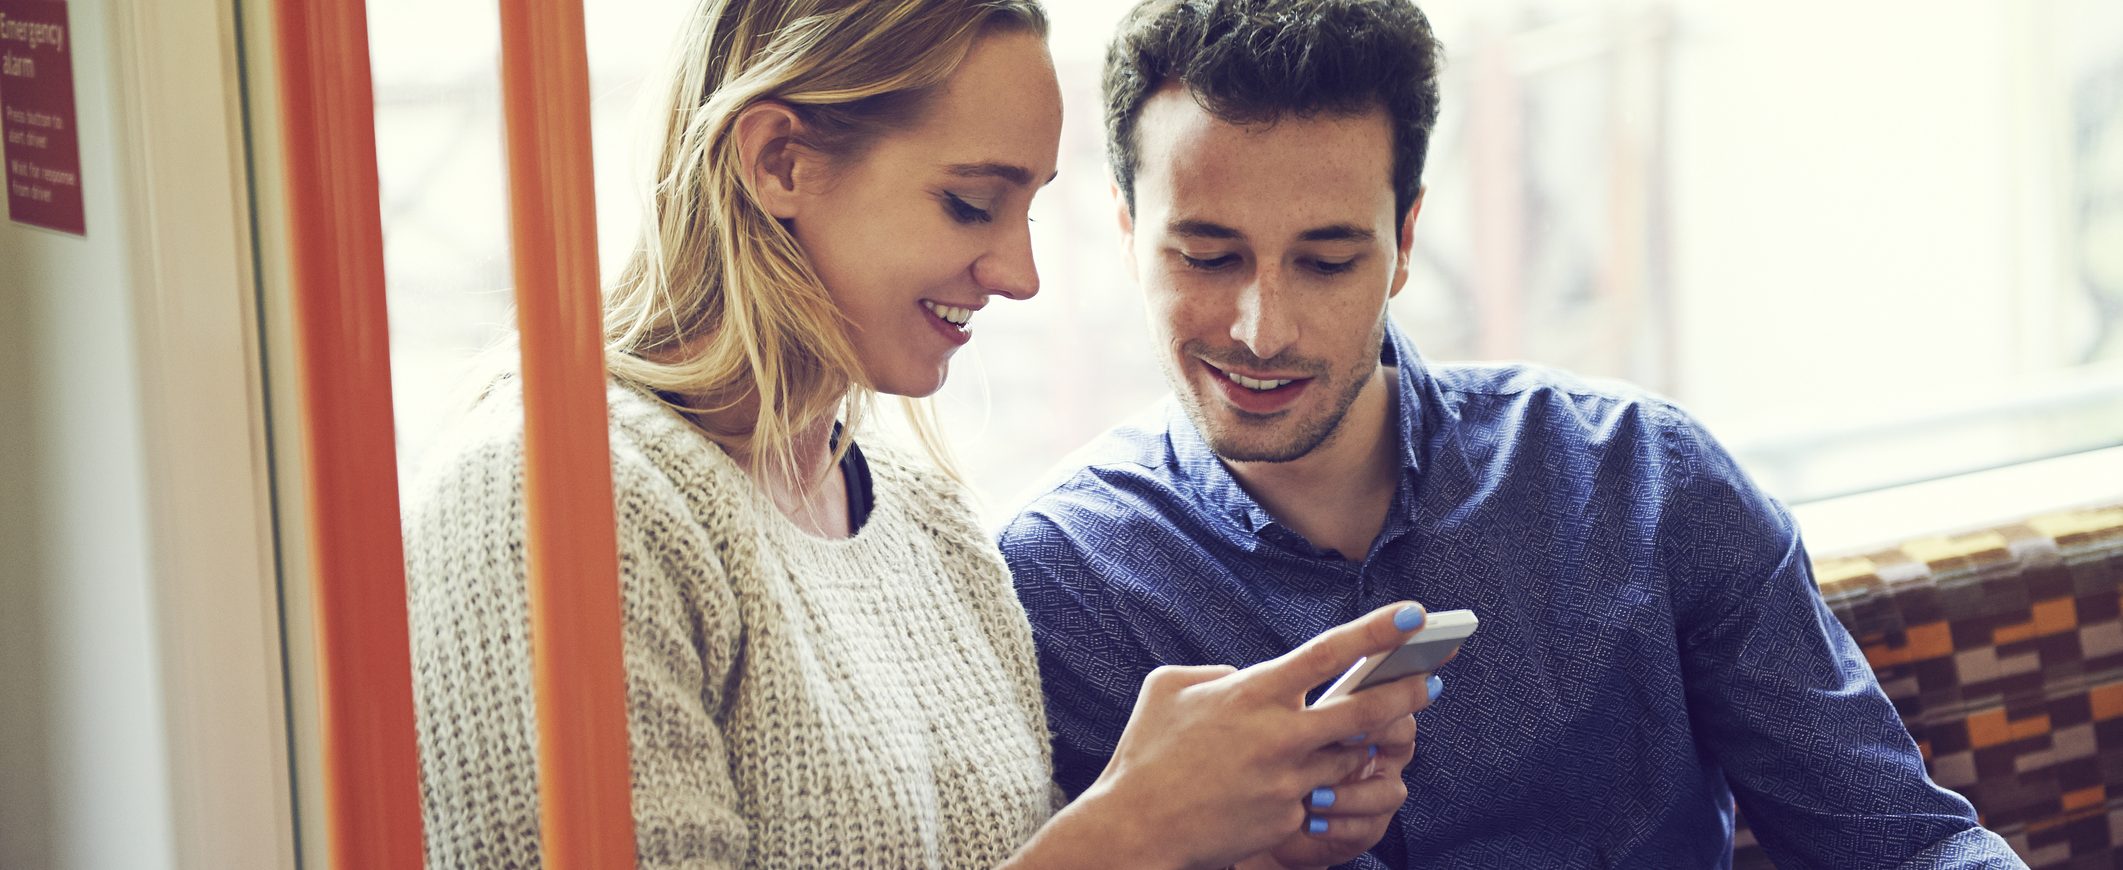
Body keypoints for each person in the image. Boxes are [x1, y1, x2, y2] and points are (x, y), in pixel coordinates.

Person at [403, 1, 1440, 867]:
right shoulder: (551, 500)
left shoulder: (934, 528)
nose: (1018, 274)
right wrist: (1125, 832)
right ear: (778, 162)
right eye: (968, 203)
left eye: (1026, 209)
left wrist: (1213, 841)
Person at [999, 0, 2027, 867]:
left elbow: (1901, 844)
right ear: (1129, 235)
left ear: (1403, 243)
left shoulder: (1644, 483)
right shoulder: (1065, 584)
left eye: (1324, 262)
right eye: (1205, 256)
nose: (1261, 329)